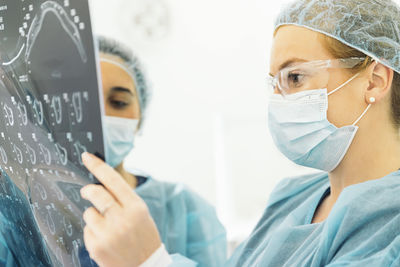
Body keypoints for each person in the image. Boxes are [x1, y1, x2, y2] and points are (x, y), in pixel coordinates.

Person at [81, 0, 400, 266]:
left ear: (374, 80)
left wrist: (149, 261)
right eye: (274, 83)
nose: (279, 100)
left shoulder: (391, 225)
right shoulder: (292, 199)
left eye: (295, 77)